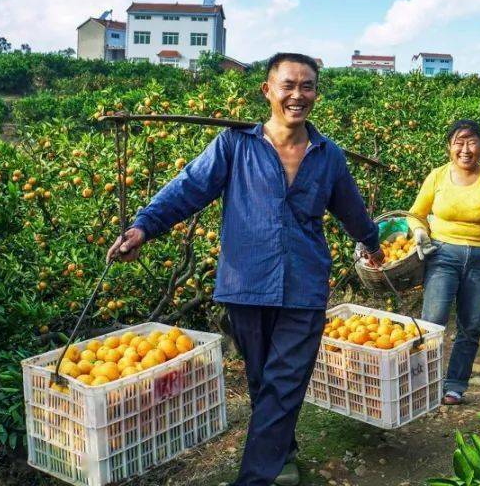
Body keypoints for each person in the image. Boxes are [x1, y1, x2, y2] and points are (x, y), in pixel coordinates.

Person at [107, 53, 384, 486]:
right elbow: (189, 189)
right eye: (288, 85)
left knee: (284, 381)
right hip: (245, 284)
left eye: (307, 86)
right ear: (268, 90)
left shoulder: (328, 156)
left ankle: (254, 478)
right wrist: (143, 227)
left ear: (316, 93)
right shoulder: (235, 145)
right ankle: (284, 452)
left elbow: (351, 208)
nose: (298, 95)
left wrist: (371, 241)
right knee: (262, 380)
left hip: (304, 286)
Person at [408, 119, 480, 405]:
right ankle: (424, 383)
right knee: (432, 323)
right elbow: (415, 214)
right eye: (459, 142)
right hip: (444, 254)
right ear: (449, 147)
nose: (465, 149)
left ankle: (455, 384)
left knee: (470, 325)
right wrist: (419, 231)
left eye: (472, 142)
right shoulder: (437, 176)